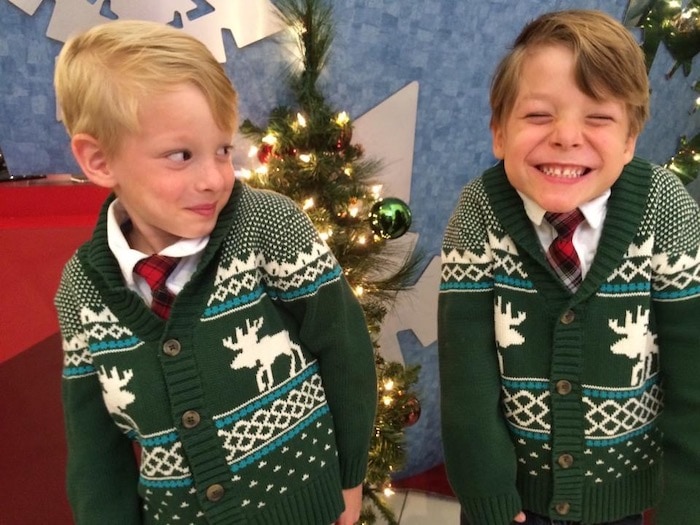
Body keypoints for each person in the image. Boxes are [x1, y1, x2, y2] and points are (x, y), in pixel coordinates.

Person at [53, 20, 376, 525]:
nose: (214, 178)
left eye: (222, 150)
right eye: (181, 156)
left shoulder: (268, 224)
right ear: (99, 160)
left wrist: (350, 478)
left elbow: (347, 352)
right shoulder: (80, 290)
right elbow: (95, 451)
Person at [438, 9, 700, 525]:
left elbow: (694, 376)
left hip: (621, 499)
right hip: (510, 499)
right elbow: (466, 381)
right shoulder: (478, 212)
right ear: (498, 132)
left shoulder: (665, 207)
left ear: (629, 139)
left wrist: (686, 506)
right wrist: (486, 495)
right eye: (538, 115)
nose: (565, 136)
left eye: (598, 118)